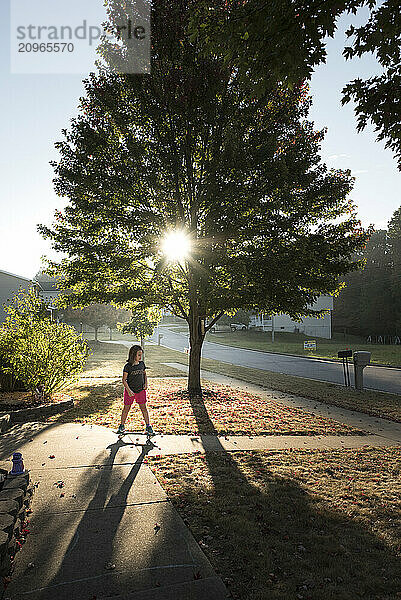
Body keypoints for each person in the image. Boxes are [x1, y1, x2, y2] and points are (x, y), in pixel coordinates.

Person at [117, 344, 154, 436]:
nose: (140, 357)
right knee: (126, 409)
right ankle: (121, 426)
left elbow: (144, 374)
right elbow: (124, 380)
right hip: (130, 391)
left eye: (141, 354)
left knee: (144, 408)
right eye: (139, 355)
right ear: (133, 355)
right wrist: (129, 390)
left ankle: (148, 426)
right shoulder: (128, 366)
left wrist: (146, 383)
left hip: (140, 390)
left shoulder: (142, 364)